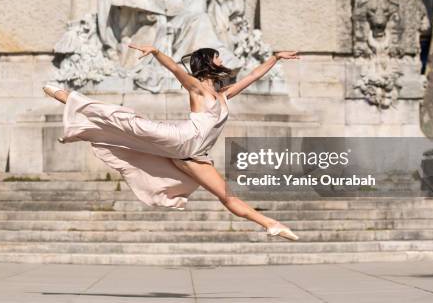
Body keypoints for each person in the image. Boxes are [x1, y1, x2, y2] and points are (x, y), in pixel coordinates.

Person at [43, 46, 301, 241]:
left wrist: (276, 57)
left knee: (226, 195)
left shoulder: (224, 95)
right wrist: (156, 52)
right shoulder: (197, 89)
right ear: (209, 62)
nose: (222, 61)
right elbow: (176, 70)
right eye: (218, 57)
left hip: (195, 155)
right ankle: (68, 99)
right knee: (131, 123)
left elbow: (253, 75)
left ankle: (270, 223)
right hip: (181, 138)